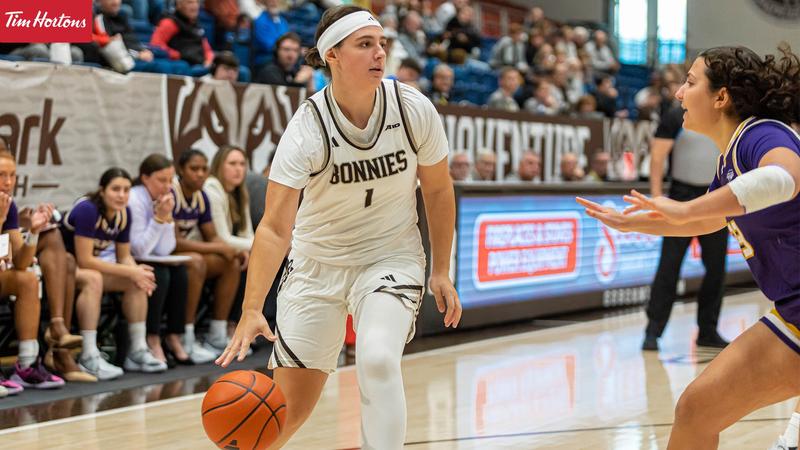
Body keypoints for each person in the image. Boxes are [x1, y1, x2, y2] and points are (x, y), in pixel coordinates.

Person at [216, 6, 462, 450]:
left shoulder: (412, 109)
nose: (379, 54)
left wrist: (440, 269)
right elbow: (273, 228)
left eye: (381, 44)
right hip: (317, 264)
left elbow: (439, 192)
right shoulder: (307, 128)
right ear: (332, 54)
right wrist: (252, 307)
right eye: (364, 45)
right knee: (288, 412)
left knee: (378, 359)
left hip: (390, 255)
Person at [576, 44, 800, 449]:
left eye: (690, 82)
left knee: (698, 409)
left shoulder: (760, 134)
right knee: (697, 410)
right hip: (793, 312)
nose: (679, 93)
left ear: (721, 96)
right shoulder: (730, 159)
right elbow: (707, 219)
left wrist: (684, 209)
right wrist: (632, 224)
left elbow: (785, 178)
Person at [61, 168, 166, 373]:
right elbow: (84, 260)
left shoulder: (122, 213)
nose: (121, 195)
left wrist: (136, 272)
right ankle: (89, 355)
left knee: (137, 280)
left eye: (126, 190)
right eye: (115, 189)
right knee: (94, 279)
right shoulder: (87, 210)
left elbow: (124, 256)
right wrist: (130, 271)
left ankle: (137, 351)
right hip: (61, 269)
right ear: (102, 190)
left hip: (84, 268)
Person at [641, 104, 729, 351]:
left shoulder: (726, 115)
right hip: (681, 193)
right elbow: (657, 157)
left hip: (715, 196)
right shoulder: (675, 115)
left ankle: (708, 330)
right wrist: (657, 199)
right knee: (669, 265)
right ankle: (653, 330)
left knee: (716, 268)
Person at [0, 151, 65, 391]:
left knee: (27, 279)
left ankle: (26, 366)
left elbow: (20, 262)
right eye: (1, 175)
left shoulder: (9, 205)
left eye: (12, 175)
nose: (8, 182)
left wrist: (34, 232)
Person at [172, 149, 241, 363]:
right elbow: (174, 243)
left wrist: (232, 250)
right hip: (164, 256)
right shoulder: (172, 193)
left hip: (188, 255)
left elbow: (212, 236)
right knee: (197, 262)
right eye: (194, 169)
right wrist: (218, 248)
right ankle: (187, 335)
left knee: (231, 263)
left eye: (204, 169)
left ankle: (217, 334)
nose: (200, 174)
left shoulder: (201, 197)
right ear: (181, 170)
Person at [128, 154, 192, 366]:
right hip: (129, 259)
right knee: (160, 275)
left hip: (151, 257)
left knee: (180, 272)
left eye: (170, 180)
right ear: (145, 178)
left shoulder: (165, 199)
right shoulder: (134, 199)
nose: (168, 186)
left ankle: (173, 335)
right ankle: (152, 337)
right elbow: (138, 249)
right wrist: (158, 219)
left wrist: (166, 218)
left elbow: (166, 248)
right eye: (161, 180)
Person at [203, 145, 254, 352]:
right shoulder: (211, 189)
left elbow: (246, 235)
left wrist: (256, 250)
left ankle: (237, 326)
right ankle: (223, 329)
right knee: (236, 262)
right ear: (219, 166)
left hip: (226, 251)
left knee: (258, 262)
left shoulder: (240, 193)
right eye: (232, 164)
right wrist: (264, 246)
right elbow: (222, 238)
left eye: (242, 164)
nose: (238, 169)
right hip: (206, 250)